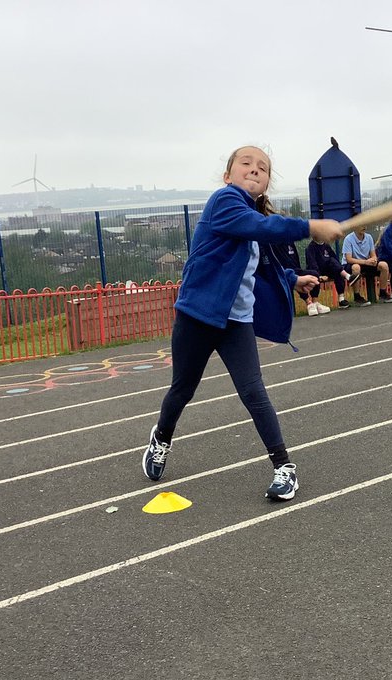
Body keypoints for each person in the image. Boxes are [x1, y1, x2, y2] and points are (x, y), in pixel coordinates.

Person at [141, 146, 343, 501]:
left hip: (236, 322)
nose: (255, 169)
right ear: (228, 175)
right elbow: (263, 227)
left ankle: (284, 468)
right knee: (182, 390)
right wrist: (310, 226)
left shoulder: (250, 219)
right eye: (246, 164)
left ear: (266, 183)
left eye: (262, 168)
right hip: (198, 315)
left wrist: (292, 279)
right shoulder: (225, 202)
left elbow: (258, 266)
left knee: (253, 391)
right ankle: (161, 437)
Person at [272, 237, 330, 317]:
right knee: (295, 278)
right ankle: (308, 303)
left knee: (314, 274)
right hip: (285, 271)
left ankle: (315, 302)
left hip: (296, 269)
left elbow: (296, 258)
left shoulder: (290, 241)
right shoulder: (275, 243)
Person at [305, 236, 358, 309]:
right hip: (317, 272)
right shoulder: (310, 248)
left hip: (328, 270)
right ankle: (314, 304)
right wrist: (319, 276)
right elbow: (312, 264)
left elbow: (335, 259)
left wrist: (338, 267)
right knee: (315, 275)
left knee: (337, 270)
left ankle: (341, 300)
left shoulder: (326, 245)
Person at [342, 225, 391, 305]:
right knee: (356, 267)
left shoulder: (369, 237)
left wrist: (374, 260)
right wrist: (365, 262)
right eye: (361, 225)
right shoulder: (348, 239)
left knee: (384, 265)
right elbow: (349, 259)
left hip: (366, 263)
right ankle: (357, 297)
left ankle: (382, 293)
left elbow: (373, 254)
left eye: (365, 225)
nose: (364, 227)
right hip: (350, 264)